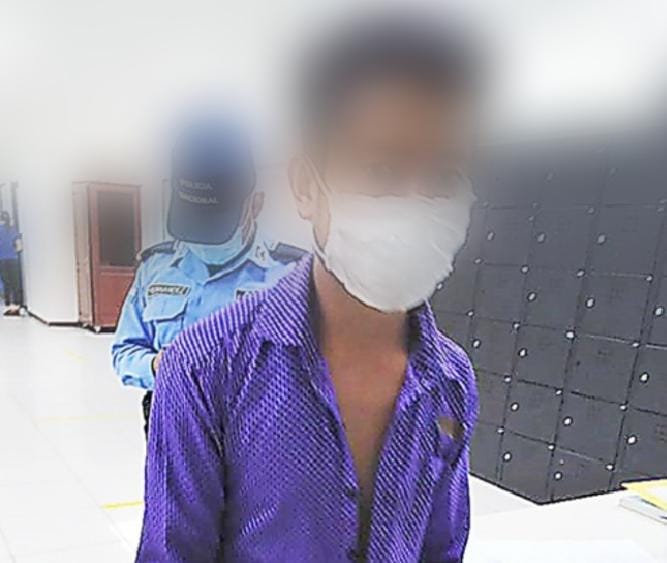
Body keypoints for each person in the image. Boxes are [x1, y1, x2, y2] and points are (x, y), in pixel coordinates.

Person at [138, 17, 479, 562]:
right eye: (381, 170)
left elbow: (442, 548)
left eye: (444, 178)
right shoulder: (207, 369)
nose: (417, 206)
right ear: (305, 185)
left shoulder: (452, 380)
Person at [111, 118, 303, 435]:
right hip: (171, 424)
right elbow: (125, 352)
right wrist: (158, 367)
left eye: (216, 224)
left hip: (258, 431)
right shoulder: (156, 268)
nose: (203, 241)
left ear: (255, 205)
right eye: (196, 223)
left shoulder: (290, 276)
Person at [0, 211, 23, 316]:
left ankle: (8, 305)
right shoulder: (13, 230)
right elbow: (19, 247)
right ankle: (17, 305)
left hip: (2, 259)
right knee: (15, 283)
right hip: (13, 259)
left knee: (6, 283)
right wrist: (13, 251)